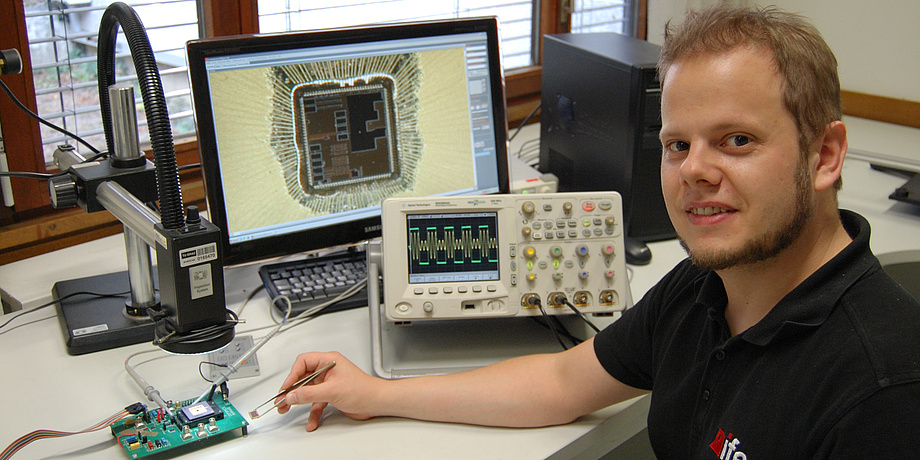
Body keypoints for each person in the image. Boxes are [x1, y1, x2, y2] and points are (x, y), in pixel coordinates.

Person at [275, 5, 920, 457]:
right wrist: (377, 392)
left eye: (737, 140)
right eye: (676, 145)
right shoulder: (708, 287)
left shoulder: (882, 393)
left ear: (825, 156)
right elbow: (559, 384)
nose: (694, 170)